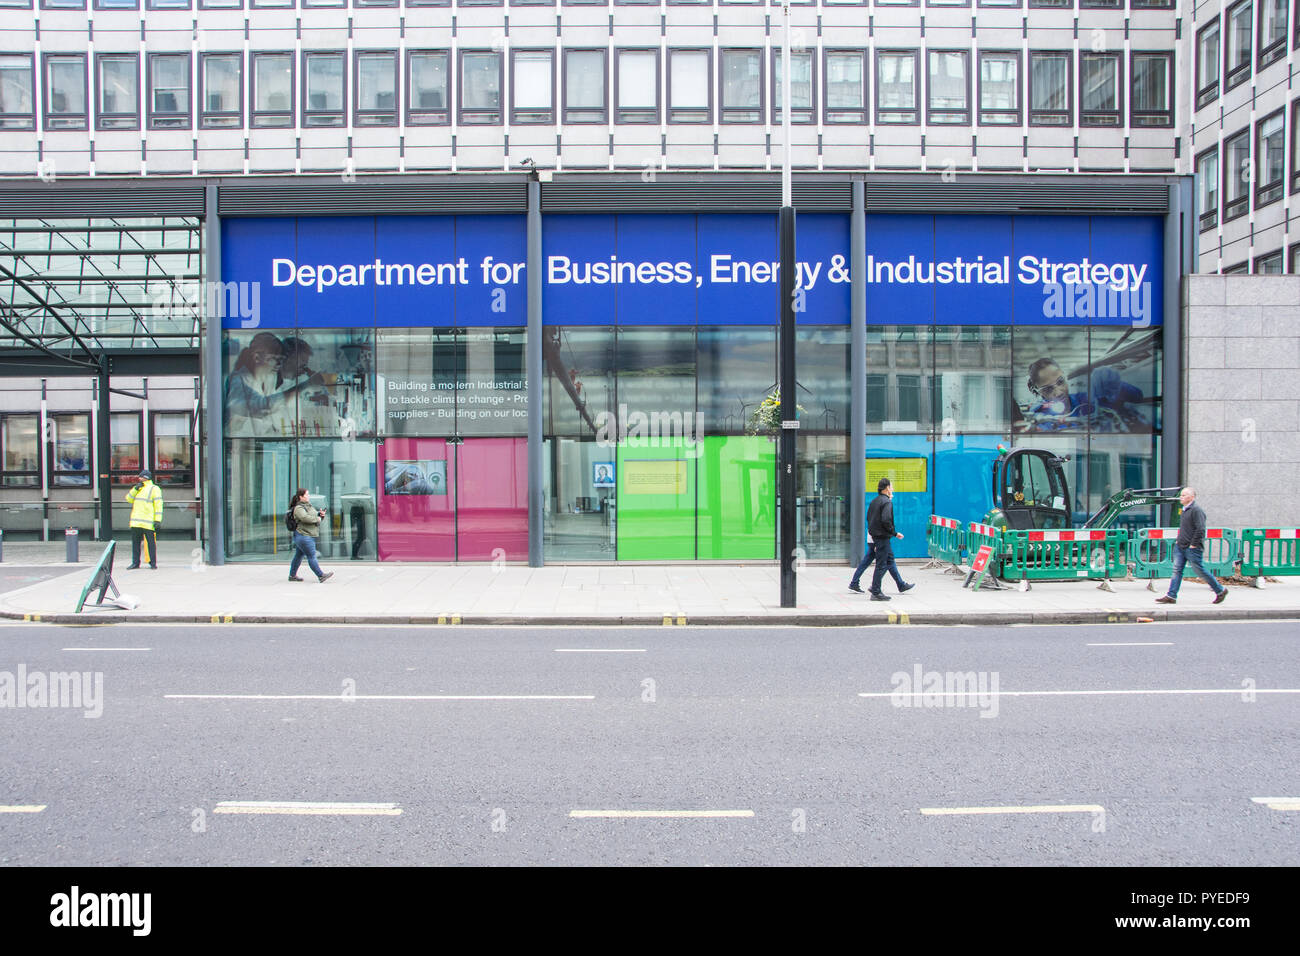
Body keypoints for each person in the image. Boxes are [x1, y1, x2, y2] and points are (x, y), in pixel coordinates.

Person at [1156, 487, 1227, 605]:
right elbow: (1185, 528)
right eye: (1181, 495)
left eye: (1184, 495)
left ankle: (1220, 590)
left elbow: (1200, 529)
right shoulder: (1184, 510)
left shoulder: (1196, 510)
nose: (1181, 497)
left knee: (1200, 570)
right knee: (1177, 570)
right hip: (1181, 546)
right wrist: (1179, 541)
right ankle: (1171, 595)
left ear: (1191, 497)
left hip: (1192, 548)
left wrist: (1193, 544)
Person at [849, 477, 914, 600]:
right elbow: (886, 520)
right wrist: (894, 533)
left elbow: (869, 518)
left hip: (875, 536)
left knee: (889, 560)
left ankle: (900, 585)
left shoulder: (875, 501)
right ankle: (876, 592)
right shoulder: (887, 502)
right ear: (887, 488)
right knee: (881, 564)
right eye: (891, 486)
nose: (892, 489)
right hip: (882, 537)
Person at [226, 332, 285, 436]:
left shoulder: (271, 379)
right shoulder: (238, 381)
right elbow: (239, 417)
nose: (279, 364)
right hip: (242, 443)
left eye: (281, 359)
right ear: (257, 358)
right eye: (273, 359)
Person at [288, 488, 335, 583]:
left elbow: (313, 514)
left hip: (307, 535)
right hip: (304, 535)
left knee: (298, 556)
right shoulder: (299, 508)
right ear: (301, 497)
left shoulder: (308, 506)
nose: (308, 496)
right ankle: (321, 575)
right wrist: (317, 519)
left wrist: (320, 514)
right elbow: (304, 517)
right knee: (311, 556)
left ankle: (292, 575)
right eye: (306, 495)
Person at [124, 469, 163, 569]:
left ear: (145, 478)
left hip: (148, 521)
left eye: (141, 477)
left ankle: (152, 563)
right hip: (136, 521)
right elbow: (128, 499)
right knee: (135, 544)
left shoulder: (154, 489)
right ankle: (135, 563)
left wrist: (157, 520)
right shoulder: (137, 488)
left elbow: (158, 505)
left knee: (150, 544)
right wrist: (135, 489)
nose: (139, 478)